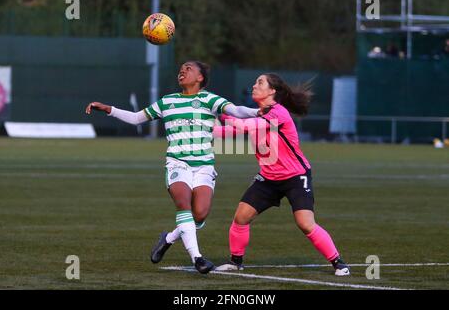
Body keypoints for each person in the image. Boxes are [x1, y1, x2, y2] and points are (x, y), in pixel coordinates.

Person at [85, 61, 262, 274]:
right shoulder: (167, 101)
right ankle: (198, 259)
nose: (183, 70)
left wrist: (257, 112)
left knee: (200, 215)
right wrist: (108, 109)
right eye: (182, 68)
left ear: (200, 78)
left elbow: (235, 110)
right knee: (183, 205)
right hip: (177, 163)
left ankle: (168, 239)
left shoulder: (210, 99)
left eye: (189, 68)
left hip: (204, 166)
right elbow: (136, 118)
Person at [213, 73, 350, 276]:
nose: (254, 85)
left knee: (305, 223)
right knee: (241, 217)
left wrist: (222, 114)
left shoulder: (279, 113)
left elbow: (245, 126)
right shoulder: (258, 114)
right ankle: (236, 262)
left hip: (295, 176)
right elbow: (230, 132)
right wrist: (200, 129)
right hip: (268, 177)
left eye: (260, 82)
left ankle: (339, 263)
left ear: (272, 91)